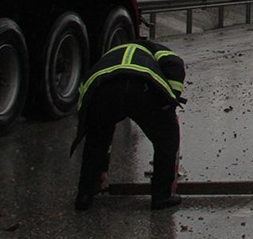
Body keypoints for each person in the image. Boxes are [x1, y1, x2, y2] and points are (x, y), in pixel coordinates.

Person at [71, 38, 187, 212]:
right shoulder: (156, 50)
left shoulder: (109, 57)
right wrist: (171, 99)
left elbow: (88, 112)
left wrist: (101, 168)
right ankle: (162, 197)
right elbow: (175, 64)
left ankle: (85, 195)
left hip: (103, 89)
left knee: (97, 139)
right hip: (141, 87)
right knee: (166, 138)